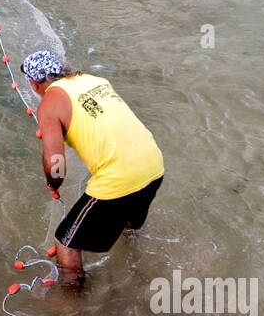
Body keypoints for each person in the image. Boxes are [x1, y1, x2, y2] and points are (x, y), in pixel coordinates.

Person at [21, 50, 164, 282]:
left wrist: (52, 182)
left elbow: (56, 164)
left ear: (34, 83)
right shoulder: (95, 80)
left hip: (119, 178)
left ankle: (72, 307)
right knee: (129, 224)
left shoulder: (49, 104)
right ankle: (139, 269)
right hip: (153, 165)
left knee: (65, 242)